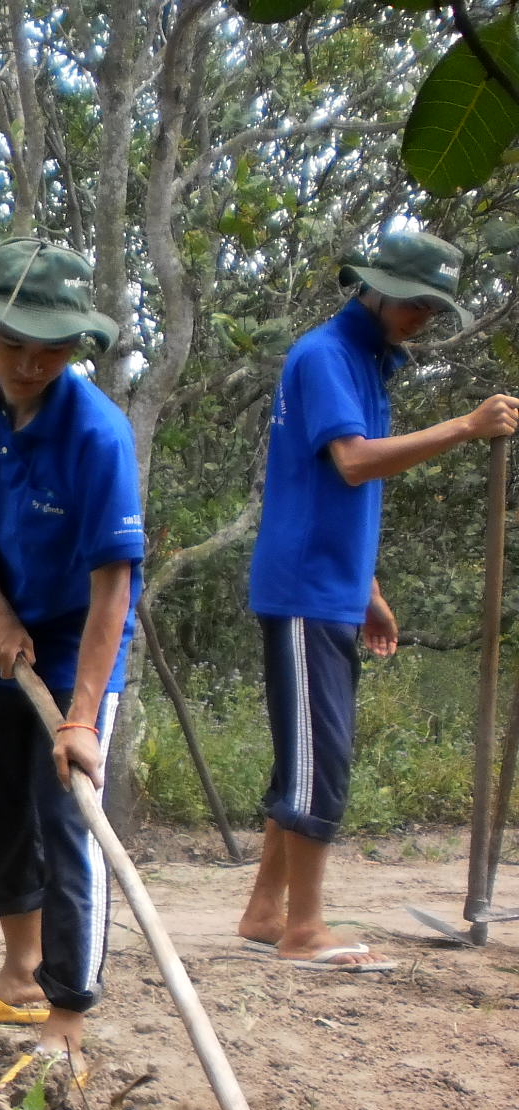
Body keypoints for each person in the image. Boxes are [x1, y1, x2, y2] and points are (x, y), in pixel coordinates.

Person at [237, 231, 518, 972]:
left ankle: (267, 911)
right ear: (377, 287)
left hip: (332, 587)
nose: (423, 317)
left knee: (306, 751)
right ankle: (304, 929)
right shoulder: (326, 355)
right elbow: (353, 463)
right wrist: (464, 427)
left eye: (434, 307)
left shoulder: (366, 361)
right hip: (301, 589)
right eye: (417, 302)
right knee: (318, 761)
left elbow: (330, 496)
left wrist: (370, 590)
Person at [0, 238, 143, 1080]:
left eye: (50, 346)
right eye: (11, 341)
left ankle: (66, 1015)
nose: (29, 361)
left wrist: (82, 715)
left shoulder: (98, 437)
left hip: (82, 646)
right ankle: (17, 971)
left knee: (70, 824)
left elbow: (114, 583)